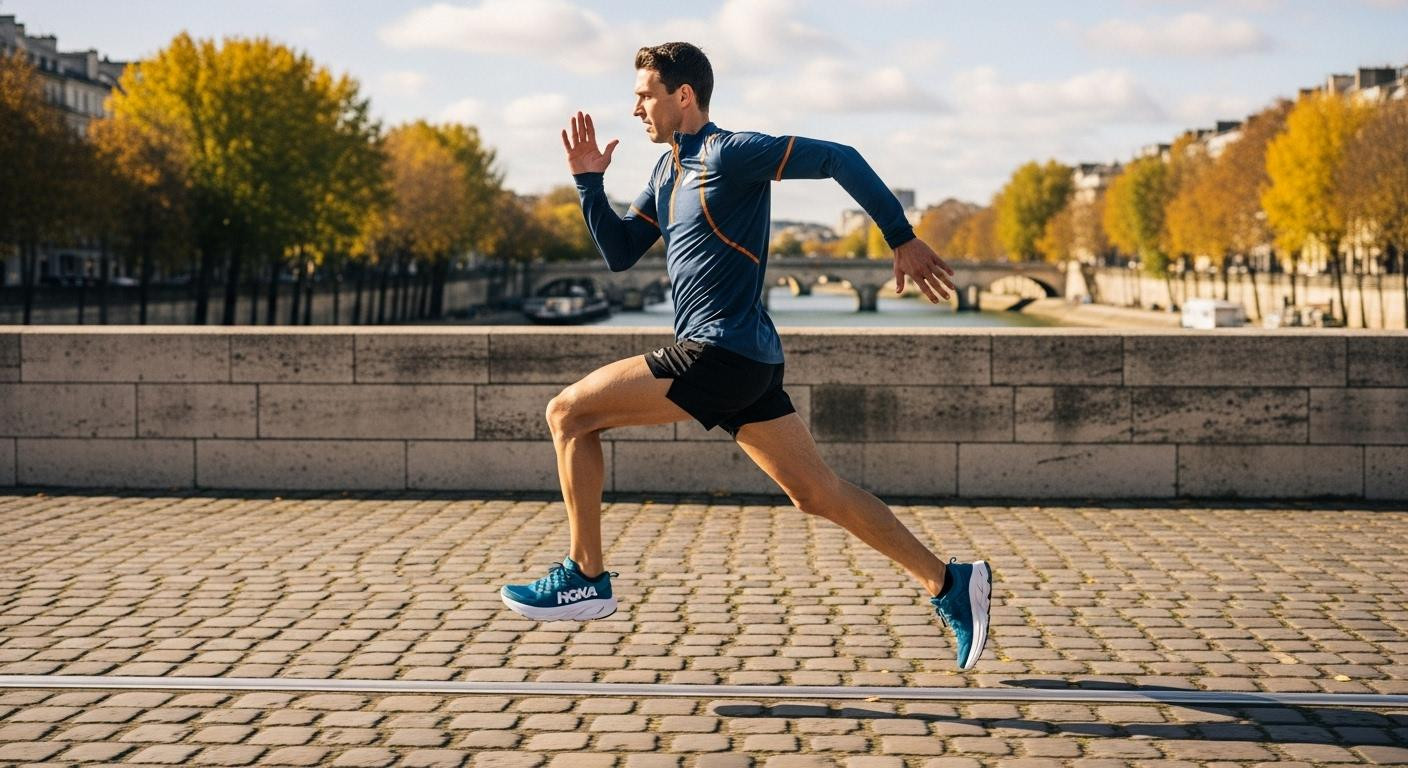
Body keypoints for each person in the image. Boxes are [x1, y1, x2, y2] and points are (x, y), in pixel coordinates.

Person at [500, 42, 991, 670]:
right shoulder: (665, 171)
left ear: (683, 96)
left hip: (718, 351)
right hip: (747, 360)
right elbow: (622, 253)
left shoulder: (731, 154)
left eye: (645, 96)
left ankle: (585, 575)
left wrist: (901, 236)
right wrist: (588, 183)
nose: (636, 110)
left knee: (569, 413)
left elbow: (840, 157)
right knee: (817, 493)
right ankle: (951, 583)